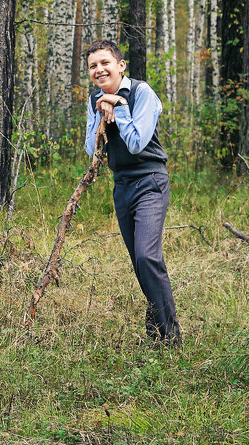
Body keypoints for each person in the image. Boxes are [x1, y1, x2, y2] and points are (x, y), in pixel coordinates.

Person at [84, 39, 181, 345]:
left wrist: (120, 108)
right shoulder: (93, 100)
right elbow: (91, 149)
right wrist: (100, 113)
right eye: (92, 66)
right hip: (122, 185)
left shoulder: (141, 93)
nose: (99, 70)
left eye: (105, 63)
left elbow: (138, 143)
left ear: (120, 65)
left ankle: (170, 336)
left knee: (147, 256)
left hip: (150, 180)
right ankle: (156, 329)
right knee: (139, 262)